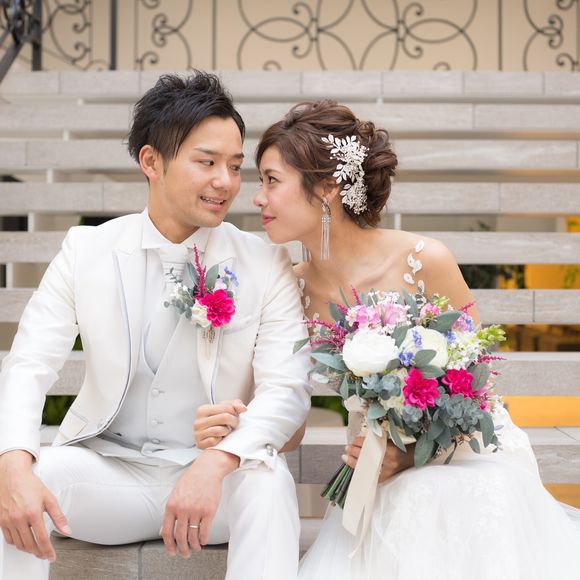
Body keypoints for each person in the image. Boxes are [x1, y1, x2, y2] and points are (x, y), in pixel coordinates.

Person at [195, 99, 580, 579]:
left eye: (272, 180)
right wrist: (235, 421)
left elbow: (479, 388)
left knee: (434, 495)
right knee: (400, 502)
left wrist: (416, 453)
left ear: (328, 188)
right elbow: (289, 432)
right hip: (372, 468)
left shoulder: (425, 260)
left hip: (466, 453)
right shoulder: (289, 288)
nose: (258, 198)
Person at [0, 71, 311, 580]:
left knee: (269, 479)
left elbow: (288, 389)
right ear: (151, 162)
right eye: (206, 162)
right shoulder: (86, 249)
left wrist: (217, 461)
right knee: (17, 482)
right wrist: (12, 461)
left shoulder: (264, 262)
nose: (226, 182)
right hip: (108, 473)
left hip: (216, 482)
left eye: (235, 166)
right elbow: (29, 362)